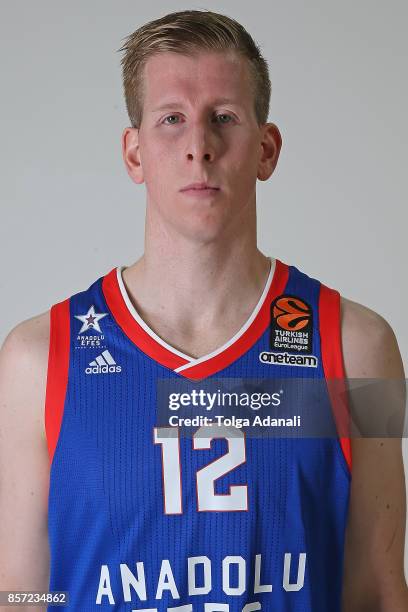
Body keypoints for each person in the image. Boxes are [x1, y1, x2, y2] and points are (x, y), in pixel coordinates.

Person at [0, 8, 407, 611]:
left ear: (266, 149)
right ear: (134, 153)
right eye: (171, 119)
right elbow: (22, 595)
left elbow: (377, 589)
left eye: (224, 118)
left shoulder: (358, 348)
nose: (199, 145)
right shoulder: (38, 360)